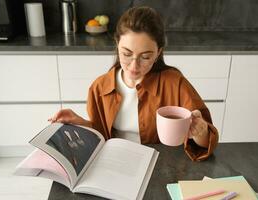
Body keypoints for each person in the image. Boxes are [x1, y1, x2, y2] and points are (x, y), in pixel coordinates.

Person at [49, 6, 218, 161]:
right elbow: (101, 136)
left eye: (145, 57)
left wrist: (200, 132)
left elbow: (206, 143)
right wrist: (80, 123)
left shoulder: (175, 84)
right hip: (115, 164)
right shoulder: (99, 88)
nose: (134, 66)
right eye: (126, 54)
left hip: (161, 166)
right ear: (117, 45)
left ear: (158, 52)